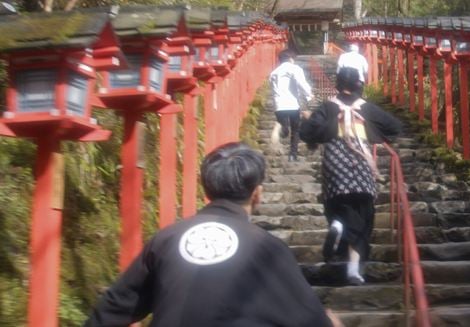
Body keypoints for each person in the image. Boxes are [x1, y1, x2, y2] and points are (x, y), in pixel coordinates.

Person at [84, 142, 343, 327]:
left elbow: (111, 310)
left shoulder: (166, 239)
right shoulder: (267, 247)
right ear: (257, 193)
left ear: (206, 190)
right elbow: (309, 318)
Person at [299, 67, 402, 285]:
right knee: (363, 212)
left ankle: (337, 226)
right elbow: (395, 127)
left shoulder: (328, 107)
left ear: (338, 84)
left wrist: (319, 126)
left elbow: (306, 132)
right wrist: (374, 134)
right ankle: (354, 270)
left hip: (335, 163)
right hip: (362, 164)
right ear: (358, 84)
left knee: (338, 204)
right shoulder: (366, 108)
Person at [269, 49, 313, 162]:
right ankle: (293, 155)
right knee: (295, 130)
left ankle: (280, 128)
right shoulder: (295, 69)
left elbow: (273, 90)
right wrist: (309, 95)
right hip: (293, 104)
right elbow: (301, 83)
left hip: (279, 105)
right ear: (290, 59)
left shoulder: (274, 73)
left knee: (285, 131)